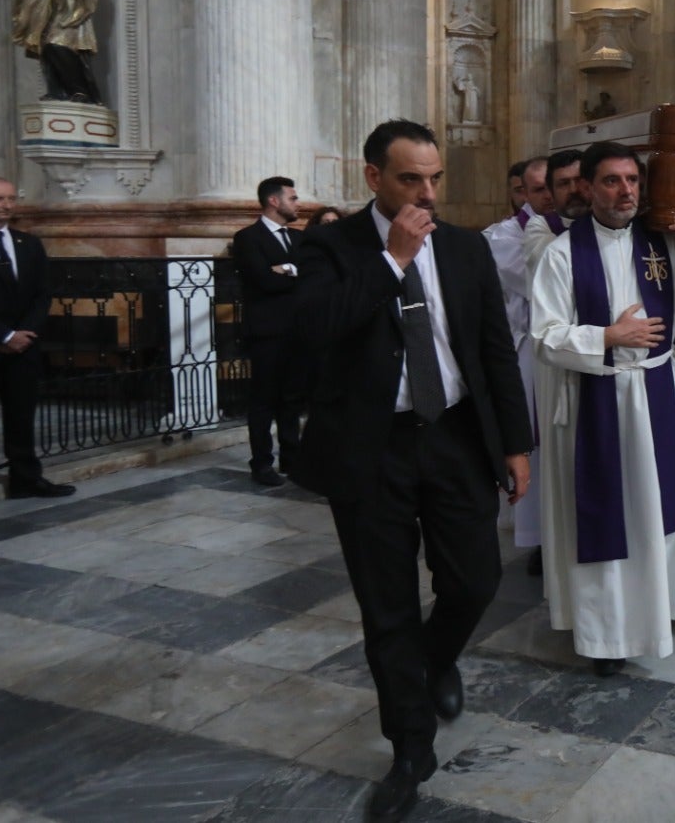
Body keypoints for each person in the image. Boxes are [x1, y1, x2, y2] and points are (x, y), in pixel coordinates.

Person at [290, 120, 532, 823]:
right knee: (387, 604)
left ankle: (436, 656)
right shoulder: (330, 245)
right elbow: (315, 328)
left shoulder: (463, 247)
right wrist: (392, 260)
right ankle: (409, 748)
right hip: (371, 448)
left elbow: (492, 349)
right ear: (374, 178)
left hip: (455, 436)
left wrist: (514, 445)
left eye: (434, 179)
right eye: (410, 180)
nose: (427, 193)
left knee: (476, 579)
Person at [529, 140, 675, 676]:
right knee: (610, 516)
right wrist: (608, 337)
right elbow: (544, 336)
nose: (625, 191)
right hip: (599, 398)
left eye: (632, 180)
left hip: (657, 394)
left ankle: (659, 611)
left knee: (657, 511)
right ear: (588, 188)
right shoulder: (562, 253)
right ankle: (608, 633)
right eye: (612, 181)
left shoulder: (662, 243)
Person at [0, 176, 73, 502]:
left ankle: (25, 479)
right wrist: (2, 334)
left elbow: (42, 294)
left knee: (21, 413)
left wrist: (23, 334)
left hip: (23, 345)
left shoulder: (28, 243)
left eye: (11, 199)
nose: (7, 205)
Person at [482, 156, 555, 573]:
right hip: (530, 353)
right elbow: (540, 285)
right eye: (538, 189)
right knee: (538, 449)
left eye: (552, 186)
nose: (548, 195)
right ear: (522, 192)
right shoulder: (503, 236)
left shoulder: (572, 230)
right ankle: (541, 538)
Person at [232, 176, 305, 488]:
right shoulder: (248, 238)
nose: (297, 203)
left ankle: (292, 457)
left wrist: (286, 269)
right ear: (274, 201)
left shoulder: (299, 238)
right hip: (266, 331)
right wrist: (293, 273)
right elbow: (263, 281)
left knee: (292, 399)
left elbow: (312, 274)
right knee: (263, 400)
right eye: (293, 198)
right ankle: (261, 463)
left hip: (297, 329)